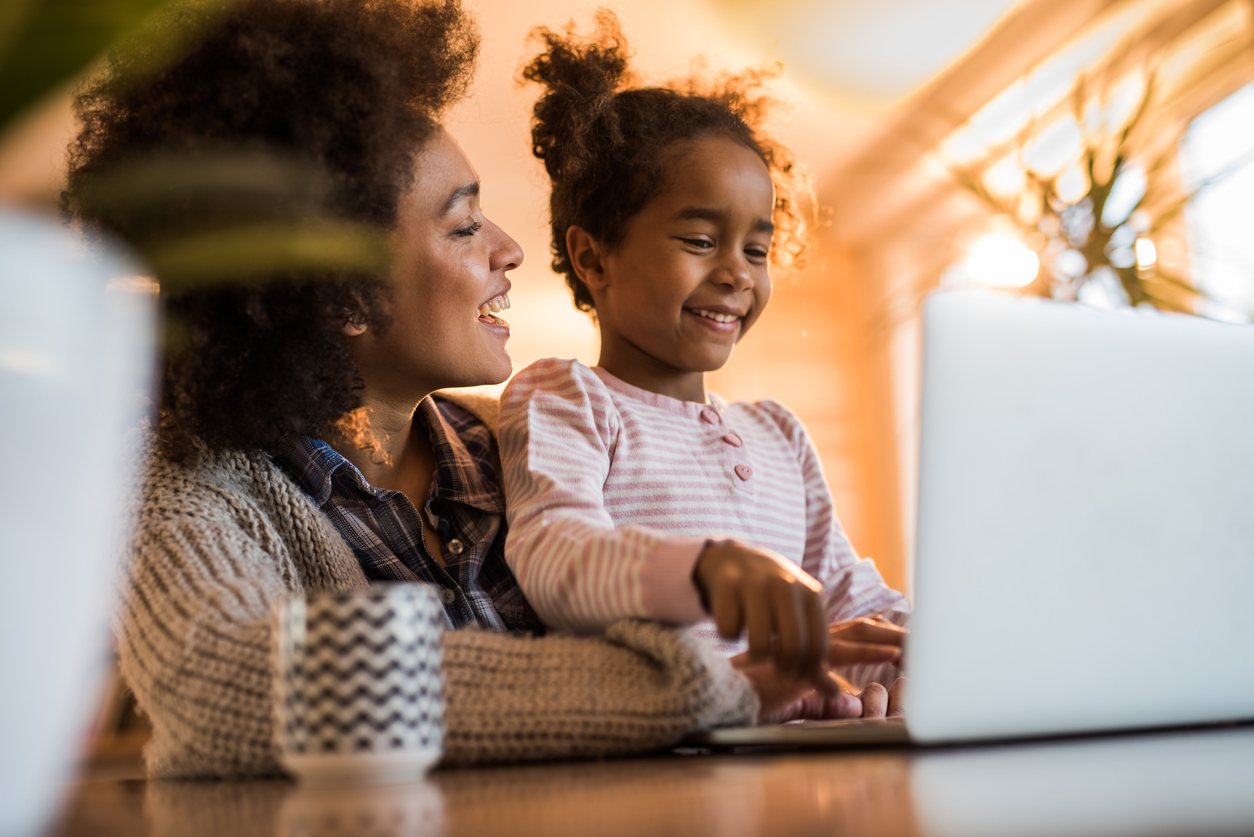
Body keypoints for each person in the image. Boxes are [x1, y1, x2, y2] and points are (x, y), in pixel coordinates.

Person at [64, 0, 789, 779]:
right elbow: (227, 687)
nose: (511, 249)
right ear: (342, 292)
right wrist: (687, 689)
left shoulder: (526, 440)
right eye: (464, 225)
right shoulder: (181, 489)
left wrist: (794, 653)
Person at [499, 12, 909, 705]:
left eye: (757, 249)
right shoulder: (566, 396)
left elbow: (844, 595)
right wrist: (704, 570)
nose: (737, 274)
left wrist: (923, 646)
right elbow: (555, 553)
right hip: (664, 764)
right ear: (592, 257)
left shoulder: (779, 432)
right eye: (699, 240)